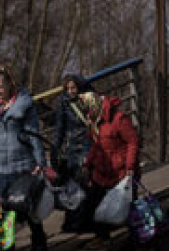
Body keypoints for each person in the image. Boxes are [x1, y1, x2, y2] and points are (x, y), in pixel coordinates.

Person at [0, 67, 48, 251]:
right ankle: (7, 250)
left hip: (22, 164)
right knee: (2, 210)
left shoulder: (23, 105)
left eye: (0, 87)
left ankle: (39, 241)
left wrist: (40, 161)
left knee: (26, 205)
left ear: (9, 84)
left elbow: (33, 134)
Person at [82, 94, 141, 238]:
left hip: (121, 172)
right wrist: (88, 164)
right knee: (94, 205)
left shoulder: (119, 119)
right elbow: (96, 146)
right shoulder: (95, 122)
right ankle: (102, 238)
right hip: (102, 172)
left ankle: (141, 242)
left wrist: (130, 166)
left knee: (129, 210)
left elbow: (133, 142)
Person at [54, 74, 100, 176]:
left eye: (73, 88)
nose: (70, 91)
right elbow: (60, 128)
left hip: (89, 140)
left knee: (89, 170)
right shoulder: (64, 102)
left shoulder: (90, 98)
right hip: (72, 144)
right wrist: (55, 148)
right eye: (67, 89)